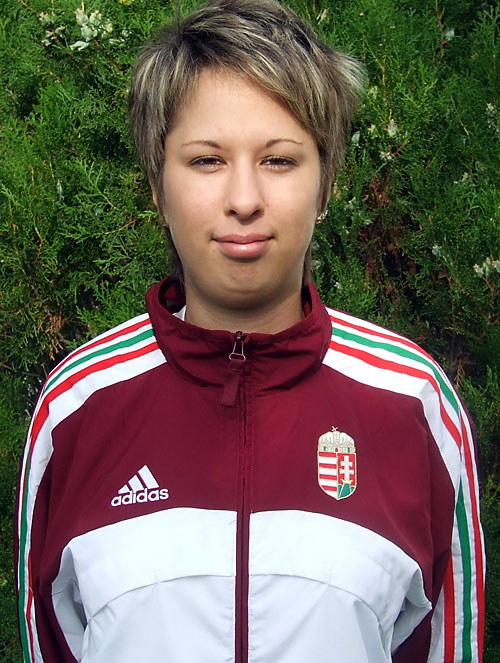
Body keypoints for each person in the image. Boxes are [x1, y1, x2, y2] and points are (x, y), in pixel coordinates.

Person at [15, 0, 484, 661]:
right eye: (207, 161)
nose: (243, 200)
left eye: (280, 161)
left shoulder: (413, 405)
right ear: (158, 186)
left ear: (327, 184)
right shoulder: (77, 410)